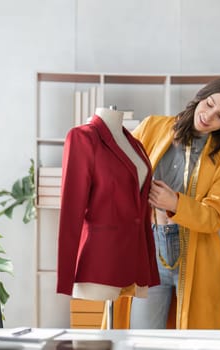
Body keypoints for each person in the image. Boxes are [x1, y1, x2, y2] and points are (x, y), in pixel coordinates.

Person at [128, 75, 220, 329]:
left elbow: (215, 216)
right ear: (201, 96)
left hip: (195, 257)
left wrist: (175, 202)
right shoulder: (152, 127)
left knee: (193, 341)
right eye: (209, 104)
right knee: (141, 340)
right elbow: (121, 167)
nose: (208, 116)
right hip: (148, 250)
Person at [56, 107, 160, 306]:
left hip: (135, 260)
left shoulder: (136, 145)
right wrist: (66, 277)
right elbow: (71, 209)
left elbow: (142, 210)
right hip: (99, 262)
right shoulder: (83, 137)